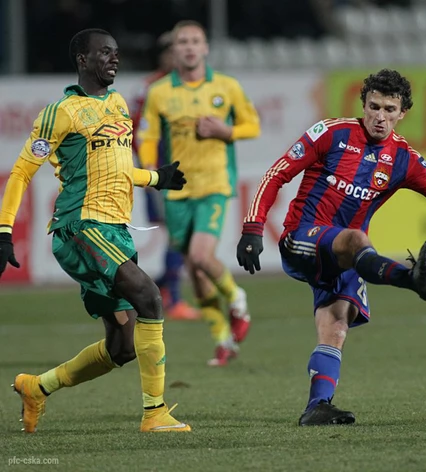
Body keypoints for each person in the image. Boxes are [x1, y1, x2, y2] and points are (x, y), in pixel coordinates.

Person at [236, 69, 426, 426]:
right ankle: (410, 279)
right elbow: (277, 174)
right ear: (363, 105)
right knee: (356, 239)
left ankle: (317, 407)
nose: (380, 117)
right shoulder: (331, 133)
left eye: (389, 109)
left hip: (346, 258)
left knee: (336, 325)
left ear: (402, 113)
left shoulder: (404, 159)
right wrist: (253, 227)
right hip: (302, 238)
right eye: (374, 107)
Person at [0, 29, 191, 433]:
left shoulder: (118, 104)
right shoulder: (61, 112)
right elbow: (20, 172)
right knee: (149, 296)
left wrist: (156, 178)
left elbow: (117, 167)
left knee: (122, 347)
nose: (114, 58)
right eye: (105, 52)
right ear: (82, 60)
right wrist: (4, 230)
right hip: (81, 226)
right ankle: (155, 413)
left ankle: (38, 387)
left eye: (116, 52)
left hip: (113, 229)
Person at [138, 20, 261, 366]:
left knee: (202, 256)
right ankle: (223, 340)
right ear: (174, 49)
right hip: (177, 191)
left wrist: (226, 131)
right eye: (183, 42)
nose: (190, 47)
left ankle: (238, 300)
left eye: (195, 41)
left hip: (214, 185)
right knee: (195, 271)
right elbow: (147, 135)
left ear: (205, 48)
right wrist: (150, 172)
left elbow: (252, 125)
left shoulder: (226, 86)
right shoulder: (159, 91)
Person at [132, 31, 199, 321]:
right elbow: (136, 132)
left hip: (188, 172)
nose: (179, 55)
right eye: (172, 50)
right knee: (178, 234)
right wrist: (149, 171)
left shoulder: (192, 86)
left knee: (184, 234)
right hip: (162, 174)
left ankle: (156, 287)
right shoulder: (150, 88)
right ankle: (172, 297)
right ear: (163, 56)